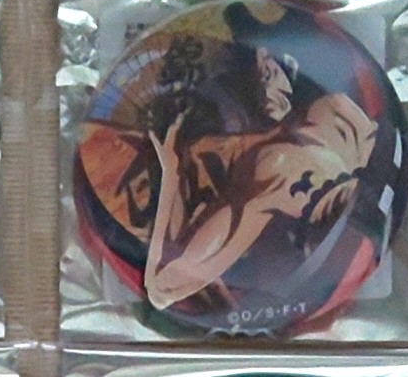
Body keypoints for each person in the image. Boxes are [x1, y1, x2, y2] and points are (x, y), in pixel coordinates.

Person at [136, 43, 378, 315]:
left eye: (275, 65)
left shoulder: (269, 172)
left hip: (348, 261)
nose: (268, 71)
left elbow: (161, 289)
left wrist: (171, 174)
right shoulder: (334, 111)